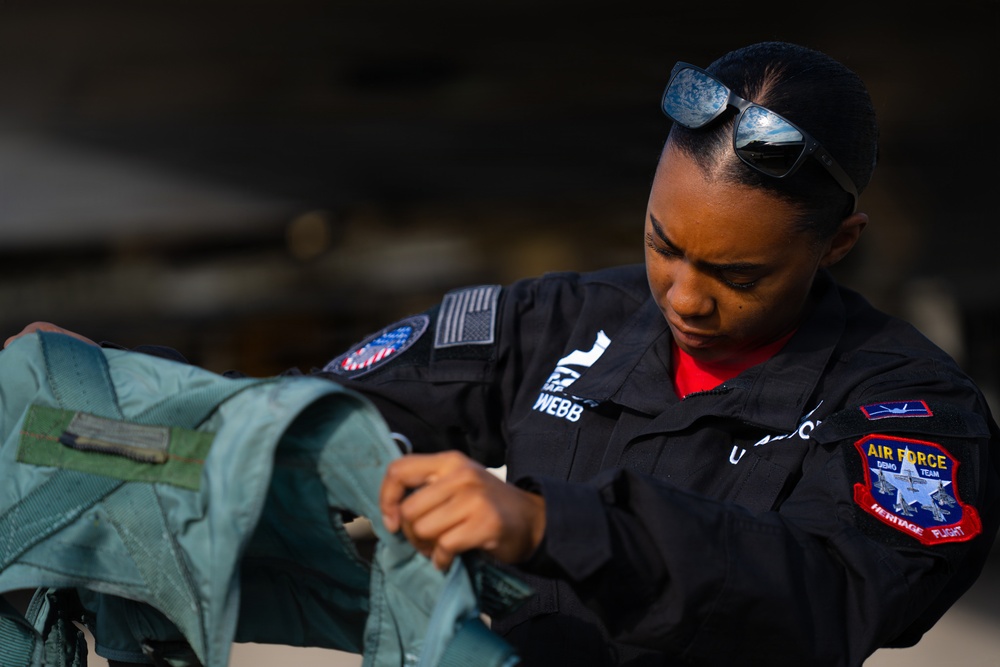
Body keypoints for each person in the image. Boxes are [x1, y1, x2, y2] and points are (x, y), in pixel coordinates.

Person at [7, 41, 1000, 666]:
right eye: (663, 242)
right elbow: (310, 416)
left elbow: (833, 595)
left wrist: (548, 522)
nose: (685, 295)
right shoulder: (562, 318)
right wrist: (113, 397)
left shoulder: (908, 410)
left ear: (836, 243)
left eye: (737, 275)